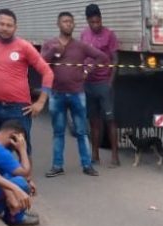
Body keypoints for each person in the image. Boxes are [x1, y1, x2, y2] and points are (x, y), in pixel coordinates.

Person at [0, 8, 54, 153]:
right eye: (1, 24)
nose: (4, 28)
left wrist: (41, 102)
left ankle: (26, 176)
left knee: (22, 150)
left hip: (18, 109)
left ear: (15, 27)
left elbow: (47, 72)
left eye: (9, 25)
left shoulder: (24, 46)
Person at [42, 11, 109, 178]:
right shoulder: (50, 44)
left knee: (81, 132)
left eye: (71, 22)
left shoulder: (80, 45)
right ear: (58, 24)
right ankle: (57, 166)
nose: (68, 24)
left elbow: (102, 56)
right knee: (58, 132)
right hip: (56, 94)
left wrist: (87, 70)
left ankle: (87, 165)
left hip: (77, 94)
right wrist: (54, 51)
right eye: (65, 21)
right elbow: (41, 62)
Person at [81, 3, 121, 167]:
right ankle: (95, 155)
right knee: (94, 121)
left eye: (97, 22)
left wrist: (110, 82)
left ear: (101, 19)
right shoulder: (84, 34)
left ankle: (115, 156)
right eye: (92, 22)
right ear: (88, 21)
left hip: (104, 83)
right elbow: (81, 55)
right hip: (89, 84)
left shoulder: (109, 35)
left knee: (110, 120)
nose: (95, 25)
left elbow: (115, 59)